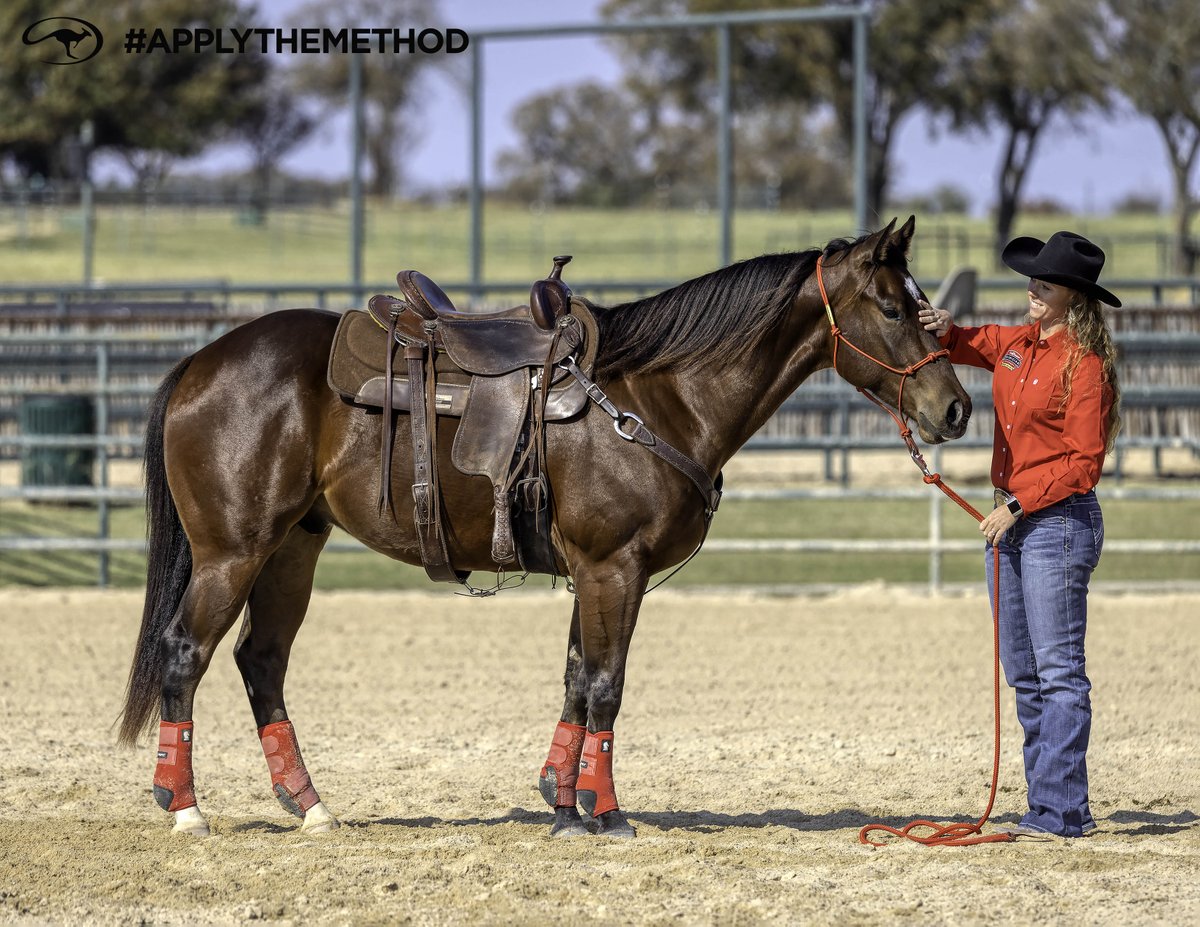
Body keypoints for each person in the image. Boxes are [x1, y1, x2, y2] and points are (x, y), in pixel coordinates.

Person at [919, 231, 1122, 839]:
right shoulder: (1017, 345)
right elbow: (969, 342)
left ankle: (1062, 811)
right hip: (1013, 522)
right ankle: (1051, 805)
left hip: (1057, 524)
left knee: (1058, 671)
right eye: (1033, 278)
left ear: (1073, 297)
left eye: (1045, 283)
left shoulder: (1086, 367)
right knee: (1025, 673)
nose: (1032, 288)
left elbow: (1084, 463)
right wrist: (945, 328)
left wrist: (1018, 503)